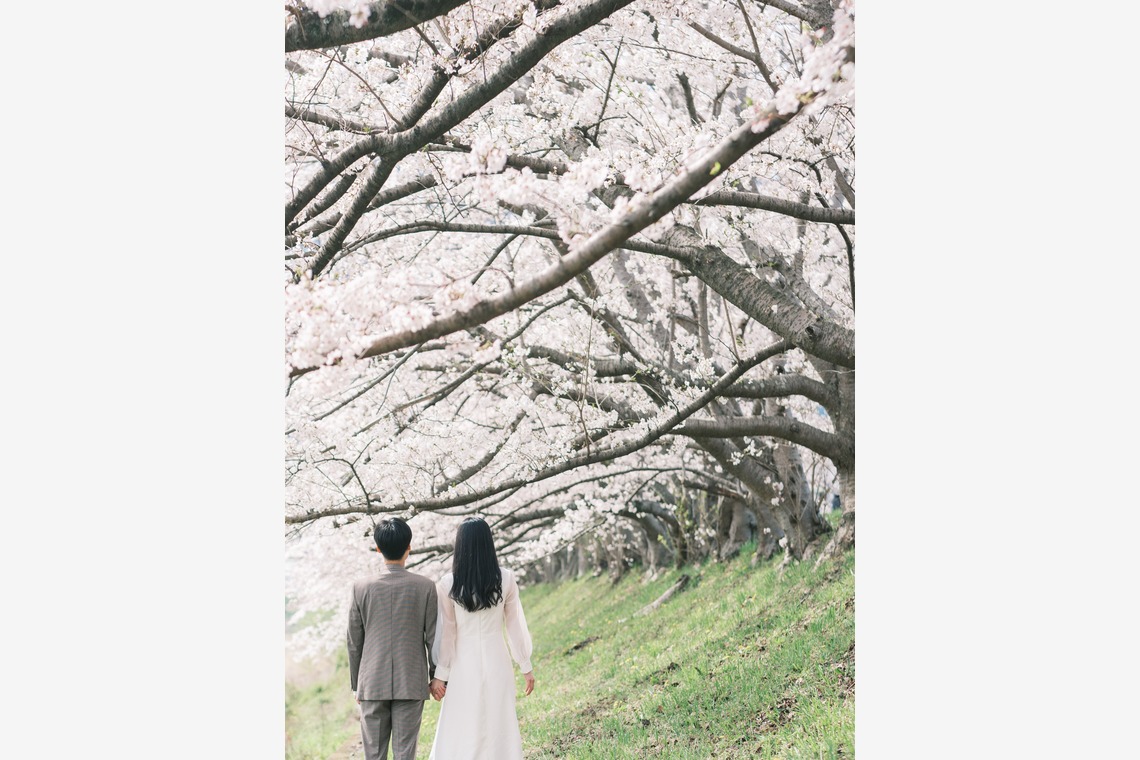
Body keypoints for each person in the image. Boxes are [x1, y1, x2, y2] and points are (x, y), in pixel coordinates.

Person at [428, 517, 536, 760]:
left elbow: (448, 634)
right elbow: (514, 625)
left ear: (460, 546)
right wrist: (525, 665)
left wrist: (440, 676)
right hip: (497, 658)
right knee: (500, 720)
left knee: (462, 721)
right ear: (489, 543)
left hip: (462, 664)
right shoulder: (505, 578)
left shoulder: (447, 584)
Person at [347, 517, 439, 760]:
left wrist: (357, 683)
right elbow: (433, 637)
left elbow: (354, 641)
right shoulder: (426, 587)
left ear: (378, 548)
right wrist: (436, 675)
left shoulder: (360, 587)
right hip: (411, 681)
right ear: (409, 547)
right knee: (405, 753)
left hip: (372, 682)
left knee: (374, 755)